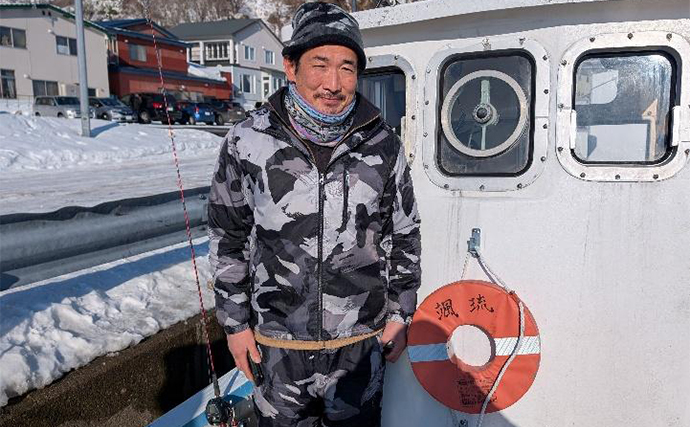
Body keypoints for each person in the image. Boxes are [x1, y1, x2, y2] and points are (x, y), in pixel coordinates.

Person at [207, 2, 421, 426]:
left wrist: (401, 314)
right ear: (291, 67)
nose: (333, 83)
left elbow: (404, 235)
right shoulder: (246, 141)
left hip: (360, 346)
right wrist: (235, 326)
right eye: (319, 64)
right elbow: (227, 237)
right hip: (278, 346)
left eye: (347, 67)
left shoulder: (384, 145)